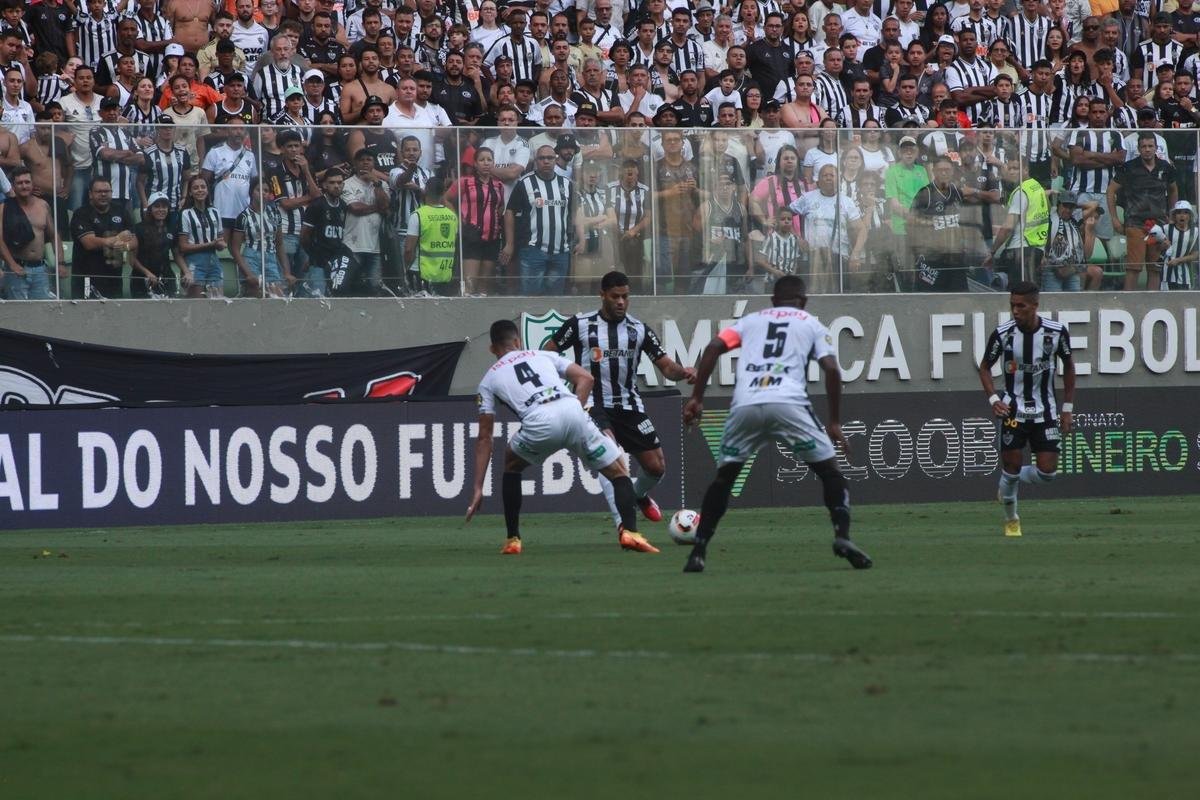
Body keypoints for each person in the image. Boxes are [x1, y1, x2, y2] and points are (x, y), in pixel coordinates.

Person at [679, 275, 872, 573]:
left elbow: (714, 347)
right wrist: (834, 421)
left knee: (724, 480)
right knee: (830, 472)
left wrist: (696, 397)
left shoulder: (750, 321)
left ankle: (699, 551)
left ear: (772, 301)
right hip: (789, 404)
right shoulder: (811, 323)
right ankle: (842, 536)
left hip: (746, 404)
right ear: (804, 301)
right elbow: (832, 370)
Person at [465, 319, 658, 556]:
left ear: (493, 349)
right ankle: (631, 532)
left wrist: (477, 487)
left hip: (539, 422)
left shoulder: (488, 379)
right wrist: (574, 413)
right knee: (619, 472)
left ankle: (513, 539)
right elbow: (586, 378)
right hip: (572, 410)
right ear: (518, 341)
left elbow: (485, 437)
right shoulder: (541, 355)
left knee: (512, 465)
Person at [547, 270, 696, 531]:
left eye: (625, 297)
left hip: (629, 404)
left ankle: (637, 495)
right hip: (593, 403)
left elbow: (666, 368)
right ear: (602, 295)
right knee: (612, 456)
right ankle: (623, 526)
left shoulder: (638, 330)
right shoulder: (580, 325)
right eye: (615, 296)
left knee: (656, 467)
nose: (621, 302)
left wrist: (683, 371)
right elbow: (546, 355)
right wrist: (558, 390)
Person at [978, 282, 1076, 538]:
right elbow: (985, 366)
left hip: (1045, 411)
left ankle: (1008, 481)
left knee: (1047, 473)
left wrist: (1067, 408)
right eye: (1012, 305)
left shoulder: (1056, 333)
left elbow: (1069, 367)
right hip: (1012, 409)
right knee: (1010, 464)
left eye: (1021, 306)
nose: (1015, 310)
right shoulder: (1003, 334)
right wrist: (993, 399)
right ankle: (1012, 520)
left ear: (1035, 305)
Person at [1108, 132, 1178, 291]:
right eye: (1144, 146)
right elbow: (1111, 190)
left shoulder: (1165, 167)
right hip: (1135, 224)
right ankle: (1128, 304)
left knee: (1154, 268)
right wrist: (1114, 218)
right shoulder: (1129, 167)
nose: (1147, 149)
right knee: (1134, 267)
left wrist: (1172, 215)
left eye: (1150, 146)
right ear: (1138, 149)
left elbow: (1173, 190)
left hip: (1157, 226)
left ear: (1156, 148)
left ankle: (1151, 303)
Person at [0, 166, 63, 300]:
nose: (24, 186)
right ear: (13, 186)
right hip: (17, 269)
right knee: (18, 314)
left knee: (42, 313)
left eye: (27, 182)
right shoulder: (4, 208)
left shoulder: (43, 205)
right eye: (20, 183)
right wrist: (12, 265)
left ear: (32, 184)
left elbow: (54, 236)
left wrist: (60, 262)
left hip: (40, 269)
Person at [403, 175, 458, 296]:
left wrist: (405, 269)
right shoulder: (452, 216)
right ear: (443, 192)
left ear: (426, 190)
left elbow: (408, 249)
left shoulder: (418, 215)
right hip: (444, 273)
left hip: (420, 272)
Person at [176, 173, 227, 298]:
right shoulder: (185, 214)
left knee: (217, 301)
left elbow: (221, 241)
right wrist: (211, 244)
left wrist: (221, 244)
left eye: (203, 187)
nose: (200, 190)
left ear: (208, 190)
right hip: (194, 261)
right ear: (190, 193)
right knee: (196, 305)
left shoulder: (215, 212)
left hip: (213, 260)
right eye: (196, 188)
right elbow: (183, 247)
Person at [1041, 191, 1103, 292]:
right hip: (1052, 268)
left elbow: (1094, 205)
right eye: (1065, 205)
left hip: (1072, 269)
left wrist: (1075, 203)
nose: (1068, 210)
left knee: (1074, 301)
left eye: (1071, 207)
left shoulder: (1075, 219)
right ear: (1058, 205)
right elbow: (1042, 195)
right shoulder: (1050, 216)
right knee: (1054, 301)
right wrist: (1053, 192)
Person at [128, 192, 178, 298]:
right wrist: (147, 273)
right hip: (141, 279)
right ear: (150, 209)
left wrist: (186, 271)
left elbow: (177, 254)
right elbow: (131, 259)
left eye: (164, 206)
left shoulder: (172, 228)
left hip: (166, 277)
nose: (161, 210)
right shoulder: (139, 228)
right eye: (157, 206)